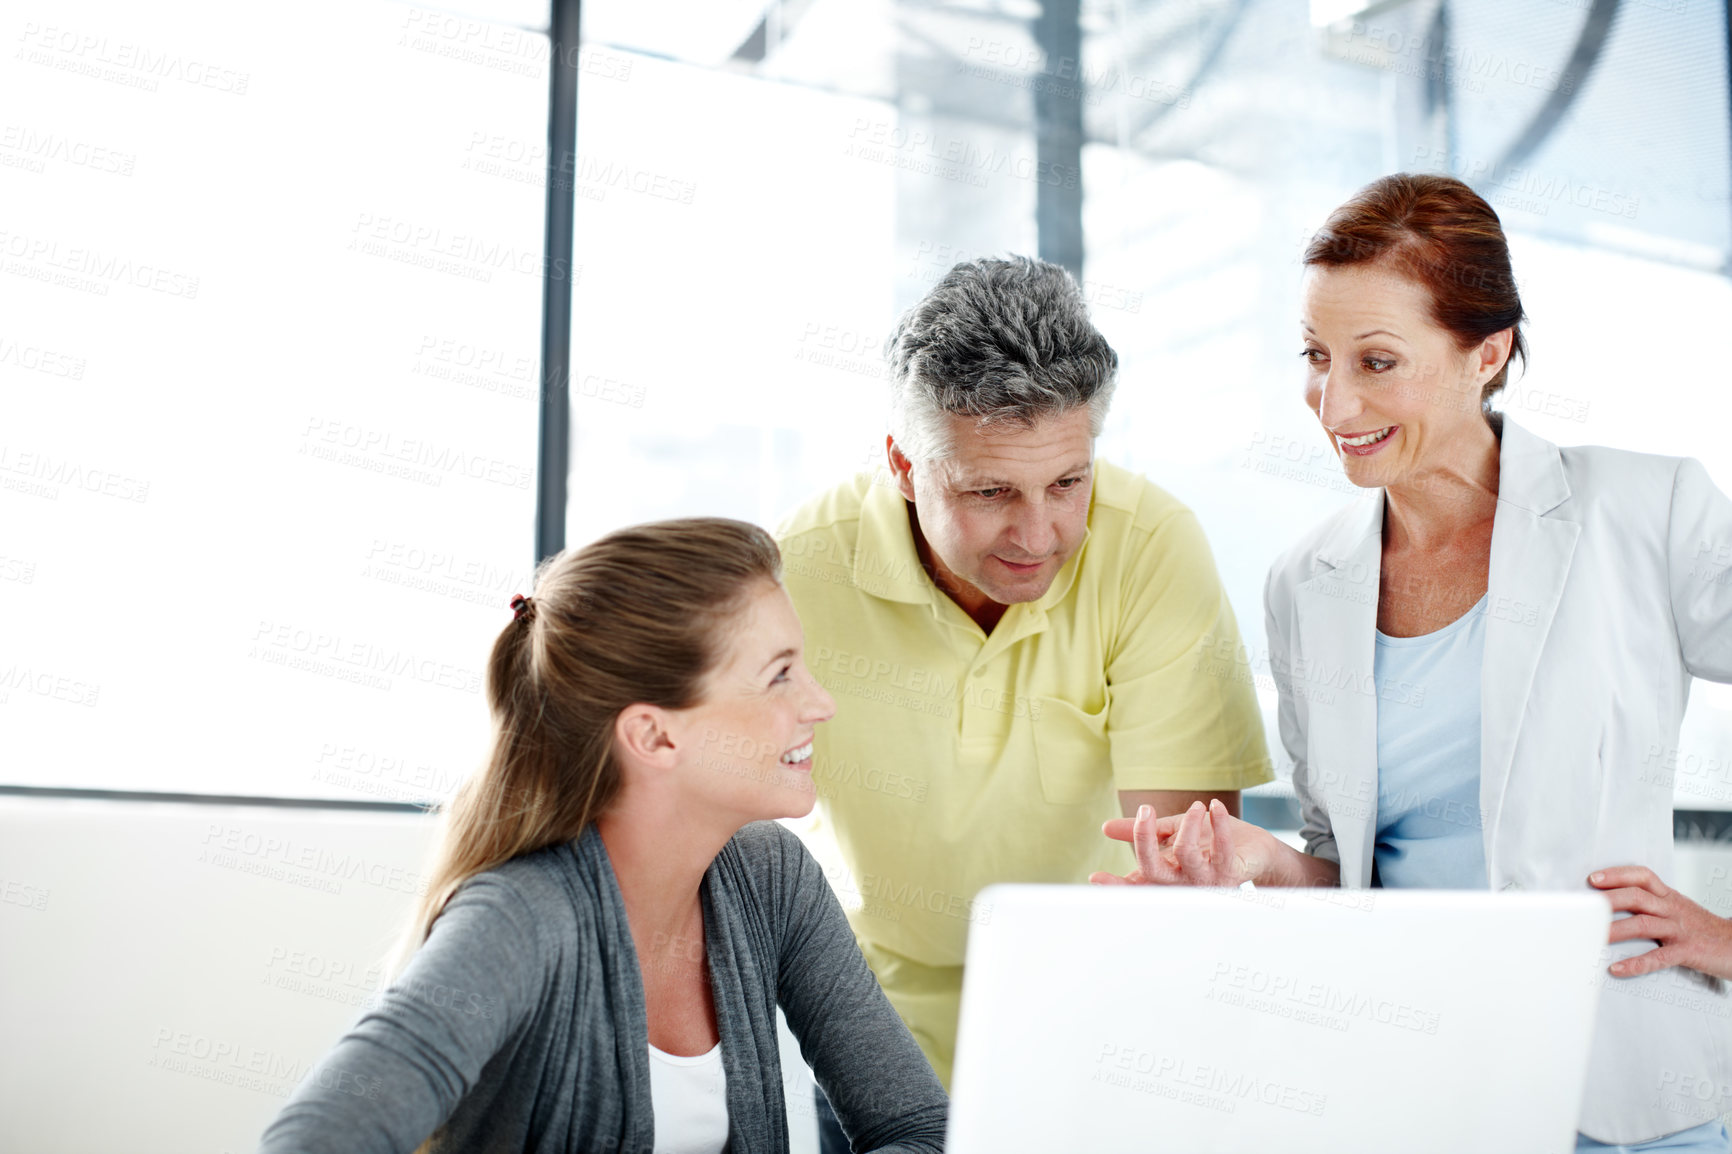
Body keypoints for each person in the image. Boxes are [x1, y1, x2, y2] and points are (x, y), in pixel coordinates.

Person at [1093, 173, 1732, 1150]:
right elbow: (1354, 873)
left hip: (1625, 1093)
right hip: (1420, 1089)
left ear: (1488, 350)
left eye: (1377, 359)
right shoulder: (1306, 582)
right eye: (1315, 355)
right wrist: (1260, 861)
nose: (1333, 399)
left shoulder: (1644, 511)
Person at [778, 256, 1273, 1149]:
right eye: (991, 491)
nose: (1039, 535)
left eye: (1068, 483)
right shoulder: (800, 568)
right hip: (868, 1034)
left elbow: (1176, 877)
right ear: (902, 463)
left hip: (1095, 1027)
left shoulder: (1152, 547)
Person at [257, 518, 947, 1154]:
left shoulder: (770, 879)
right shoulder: (519, 921)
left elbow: (917, 1127)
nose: (820, 703)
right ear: (654, 734)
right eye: (780, 676)